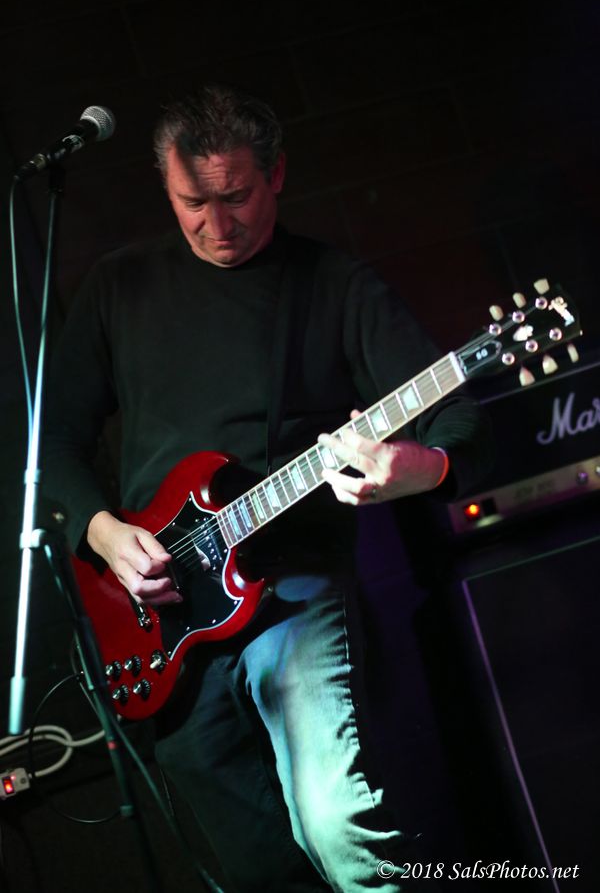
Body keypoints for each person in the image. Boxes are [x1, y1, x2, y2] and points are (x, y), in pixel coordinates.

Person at [44, 83, 492, 892]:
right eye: (194, 203)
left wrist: (419, 469)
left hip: (294, 588)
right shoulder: (120, 287)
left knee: (335, 823)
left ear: (277, 175)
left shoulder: (334, 285)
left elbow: (459, 416)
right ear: (165, 187)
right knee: (254, 870)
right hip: (160, 622)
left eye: (238, 196)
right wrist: (105, 534)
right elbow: (56, 441)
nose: (218, 225)